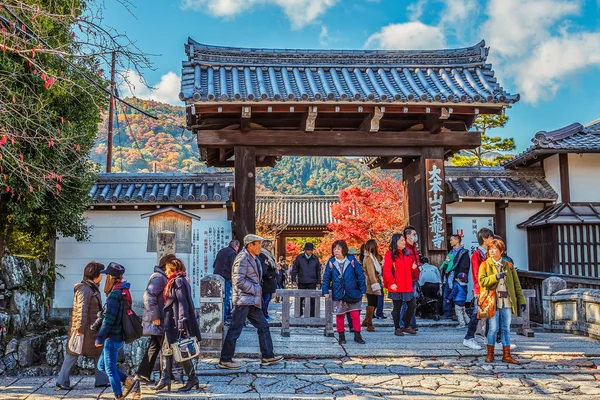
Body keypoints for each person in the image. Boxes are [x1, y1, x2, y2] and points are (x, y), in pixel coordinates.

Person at [219, 234, 284, 370]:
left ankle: (267, 356)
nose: (260, 246)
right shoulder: (242, 258)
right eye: (258, 244)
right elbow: (238, 281)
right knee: (235, 329)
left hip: (252, 301)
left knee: (263, 326)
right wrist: (255, 288)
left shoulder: (254, 258)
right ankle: (225, 359)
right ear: (250, 245)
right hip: (243, 300)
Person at [56, 261, 109, 391]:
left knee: (98, 352)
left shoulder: (91, 287)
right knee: (73, 353)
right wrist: (79, 329)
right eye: (101, 273)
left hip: (91, 328)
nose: (102, 276)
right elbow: (81, 310)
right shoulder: (84, 288)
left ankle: (101, 380)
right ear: (95, 275)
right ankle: (62, 381)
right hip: (84, 329)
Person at [479, 239, 526, 364]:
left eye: (495, 249)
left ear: (502, 251)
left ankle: (507, 355)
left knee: (506, 328)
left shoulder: (508, 265)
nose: (492, 251)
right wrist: (495, 277)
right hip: (493, 301)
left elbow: (516, 284)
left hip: (507, 301)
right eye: (490, 249)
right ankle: (490, 354)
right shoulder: (485, 265)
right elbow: (482, 281)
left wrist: (521, 300)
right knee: (493, 328)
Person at [95, 262, 136, 400]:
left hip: (112, 337)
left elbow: (109, 320)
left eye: (107, 275)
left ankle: (118, 396)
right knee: (102, 365)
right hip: (119, 335)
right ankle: (127, 380)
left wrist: (100, 337)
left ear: (111, 277)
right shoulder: (123, 291)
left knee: (110, 369)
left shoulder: (114, 295)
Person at [160, 257, 202, 392]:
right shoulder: (176, 280)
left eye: (167, 269)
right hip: (171, 321)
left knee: (182, 350)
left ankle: (192, 378)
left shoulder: (178, 281)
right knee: (167, 348)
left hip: (176, 322)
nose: (165, 272)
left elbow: (182, 302)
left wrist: (181, 322)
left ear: (172, 268)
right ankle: (165, 377)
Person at [135, 254, 173, 386]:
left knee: (155, 345)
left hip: (158, 318)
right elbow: (148, 297)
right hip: (157, 319)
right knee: (163, 346)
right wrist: (155, 316)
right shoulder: (159, 277)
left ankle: (143, 374)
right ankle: (165, 375)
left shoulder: (161, 276)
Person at [322, 240, 367, 344]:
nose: (336, 251)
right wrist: (325, 290)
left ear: (344, 249)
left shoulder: (351, 260)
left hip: (353, 291)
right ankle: (341, 336)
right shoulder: (331, 262)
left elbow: (360, 275)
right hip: (338, 292)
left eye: (338, 248)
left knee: (355, 314)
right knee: (340, 314)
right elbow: (326, 278)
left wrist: (362, 290)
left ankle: (357, 335)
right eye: (334, 249)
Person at [463, 227, 494, 350]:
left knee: (490, 314)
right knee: (477, 313)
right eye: (491, 238)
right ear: (484, 239)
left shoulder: (489, 253)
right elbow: (476, 274)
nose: (492, 240)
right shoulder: (477, 255)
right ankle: (468, 337)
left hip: (490, 286)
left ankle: (489, 339)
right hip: (481, 287)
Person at [383, 233, 420, 336]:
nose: (404, 242)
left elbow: (410, 270)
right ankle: (397, 328)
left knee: (412, 305)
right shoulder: (390, 254)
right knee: (397, 307)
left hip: (407, 284)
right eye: (401, 240)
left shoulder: (407, 254)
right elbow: (386, 270)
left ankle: (406, 325)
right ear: (396, 242)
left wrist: (413, 268)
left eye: (404, 240)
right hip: (396, 284)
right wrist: (391, 282)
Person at [440, 235, 470, 319]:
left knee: (457, 296)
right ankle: (447, 313)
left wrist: (461, 277)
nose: (450, 242)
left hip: (457, 277)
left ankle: (458, 314)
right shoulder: (451, 252)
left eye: (452, 240)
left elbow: (465, 266)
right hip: (449, 276)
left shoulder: (463, 253)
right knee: (447, 295)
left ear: (457, 241)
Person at [290, 243, 321, 317]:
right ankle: (299, 313)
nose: (309, 251)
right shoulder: (299, 258)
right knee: (300, 298)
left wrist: (318, 282)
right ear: (305, 250)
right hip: (302, 281)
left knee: (312, 300)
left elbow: (318, 271)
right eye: (308, 250)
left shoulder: (315, 258)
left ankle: (312, 314)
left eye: (310, 250)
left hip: (312, 281)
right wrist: (293, 279)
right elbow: (295, 269)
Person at [213, 240, 240, 322]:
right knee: (225, 299)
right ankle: (224, 319)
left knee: (218, 298)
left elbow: (214, 265)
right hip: (226, 277)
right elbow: (234, 267)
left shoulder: (221, 251)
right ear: (236, 246)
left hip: (217, 277)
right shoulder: (233, 253)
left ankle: (218, 318)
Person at [360, 240, 383, 332]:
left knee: (374, 302)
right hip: (370, 283)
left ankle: (367, 320)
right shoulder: (369, 258)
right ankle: (369, 322)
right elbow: (371, 273)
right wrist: (376, 287)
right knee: (372, 302)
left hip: (372, 282)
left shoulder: (372, 257)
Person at [400, 226, 420, 331]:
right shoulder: (405, 249)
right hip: (407, 279)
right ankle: (403, 323)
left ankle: (411, 323)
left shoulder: (414, 247)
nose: (415, 236)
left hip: (414, 277)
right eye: (414, 234)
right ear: (408, 236)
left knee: (412, 302)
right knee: (406, 302)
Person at [258, 240, 277, 321]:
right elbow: (263, 269)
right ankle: (264, 315)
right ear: (265, 246)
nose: (271, 247)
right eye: (269, 245)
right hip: (266, 281)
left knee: (268, 298)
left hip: (270, 280)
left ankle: (265, 314)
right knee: (266, 298)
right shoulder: (262, 255)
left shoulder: (270, 255)